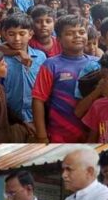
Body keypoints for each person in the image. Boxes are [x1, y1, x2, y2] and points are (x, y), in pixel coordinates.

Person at [32, 15, 96, 143]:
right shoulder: (51, 64)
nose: (77, 36)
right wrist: (41, 135)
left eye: (82, 32)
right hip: (60, 133)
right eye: (70, 33)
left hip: (92, 133)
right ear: (59, 39)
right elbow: (38, 100)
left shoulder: (97, 63)